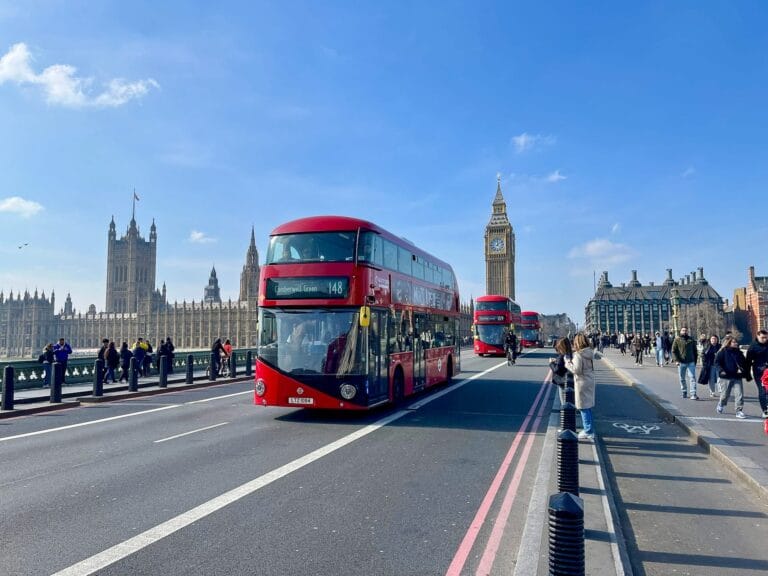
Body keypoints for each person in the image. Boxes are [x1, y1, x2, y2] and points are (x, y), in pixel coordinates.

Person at [565, 333, 596, 440]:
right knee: (588, 407)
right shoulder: (589, 353)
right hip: (590, 380)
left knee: (583, 407)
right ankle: (590, 429)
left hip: (582, 381)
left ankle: (588, 431)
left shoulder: (578, 355)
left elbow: (576, 370)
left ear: (577, 342)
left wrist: (567, 363)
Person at [715, 335, 751, 418]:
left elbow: (744, 363)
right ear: (729, 343)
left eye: (736, 342)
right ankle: (721, 404)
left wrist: (743, 369)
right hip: (726, 376)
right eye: (734, 342)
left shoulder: (738, 352)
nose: (736, 343)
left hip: (737, 376)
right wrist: (721, 370)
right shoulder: (722, 352)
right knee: (725, 395)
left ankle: (739, 411)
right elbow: (717, 363)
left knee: (739, 394)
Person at [745, 329, 768, 419]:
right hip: (759, 372)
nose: (764, 339)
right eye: (762, 338)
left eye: (766, 337)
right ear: (758, 336)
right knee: (763, 390)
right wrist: (747, 374)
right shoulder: (753, 347)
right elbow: (748, 361)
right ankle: (765, 410)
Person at [672, 327, 698, 399]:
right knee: (682, 378)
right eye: (683, 330)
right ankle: (684, 391)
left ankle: (693, 393)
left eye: (686, 330)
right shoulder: (677, 339)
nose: (684, 332)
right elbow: (673, 351)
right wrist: (676, 360)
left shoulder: (691, 339)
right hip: (681, 362)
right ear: (680, 331)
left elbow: (695, 351)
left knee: (692, 377)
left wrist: (695, 361)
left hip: (691, 361)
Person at [549, 337, 573, 402]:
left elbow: (557, 369)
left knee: (564, 403)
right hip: (570, 381)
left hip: (562, 381)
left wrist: (551, 363)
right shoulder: (570, 354)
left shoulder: (562, 356)